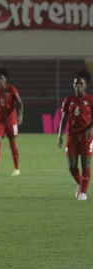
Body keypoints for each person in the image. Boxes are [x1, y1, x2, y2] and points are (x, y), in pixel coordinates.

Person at [57, 69, 93, 201]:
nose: (77, 86)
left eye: (80, 84)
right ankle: (80, 183)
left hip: (86, 135)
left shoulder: (90, 100)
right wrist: (60, 133)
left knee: (86, 164)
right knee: (71, 166)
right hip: (72, 136)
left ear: (85, 86)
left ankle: (83, 193)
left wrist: (92, 128)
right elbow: (64, 118)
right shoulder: (68, 100)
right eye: (75, 83)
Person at [0, 67, 24, 177]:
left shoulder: (12, 90)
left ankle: (16, 169)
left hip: (11, 120)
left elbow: (20, 104)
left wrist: (20, 116)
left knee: (12, 143)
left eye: (1, 78)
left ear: (6, 79)